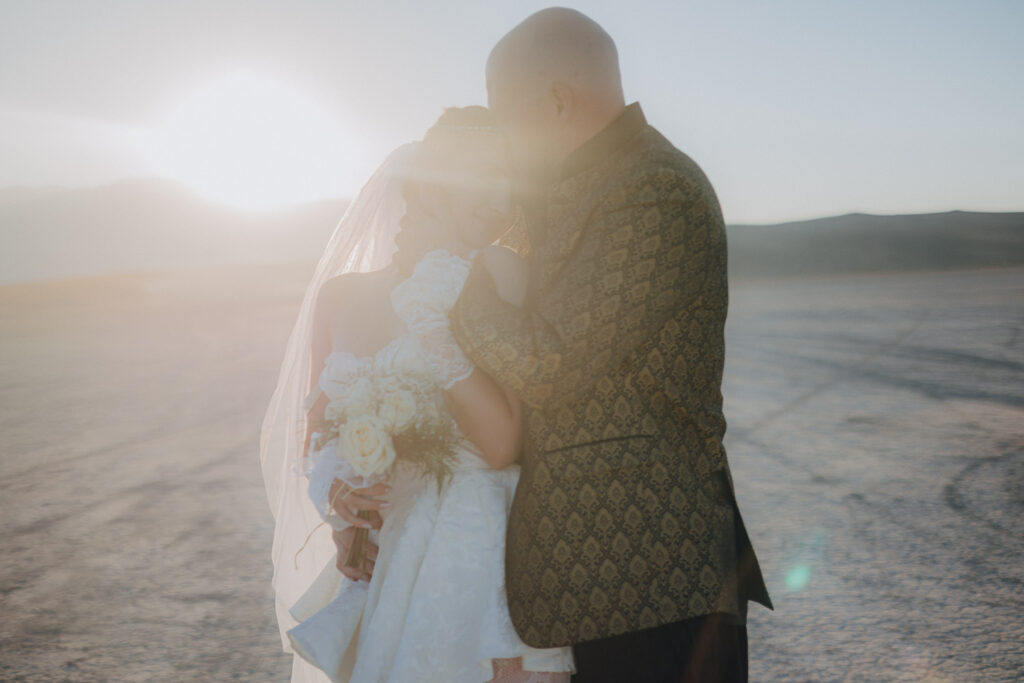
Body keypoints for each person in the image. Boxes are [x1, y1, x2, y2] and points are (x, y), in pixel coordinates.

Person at [441, 8, 774, 682]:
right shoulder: (577, 188)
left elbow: (550, 360)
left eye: (506, 115)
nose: (503, 138)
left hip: (655, 575)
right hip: (602, 583)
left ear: (558, 101)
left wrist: (450, 293)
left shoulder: (656, 188)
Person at [260, 106, 574, 682]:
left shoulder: (497, 269)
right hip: (383, 554)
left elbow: (504, 443)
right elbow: (317, 433)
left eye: (509, 182)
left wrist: (433, 330)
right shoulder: (339, 297)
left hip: (473, 550)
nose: (498, 199)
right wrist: (341, 503)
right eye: (480, 178)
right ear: (432, 185)